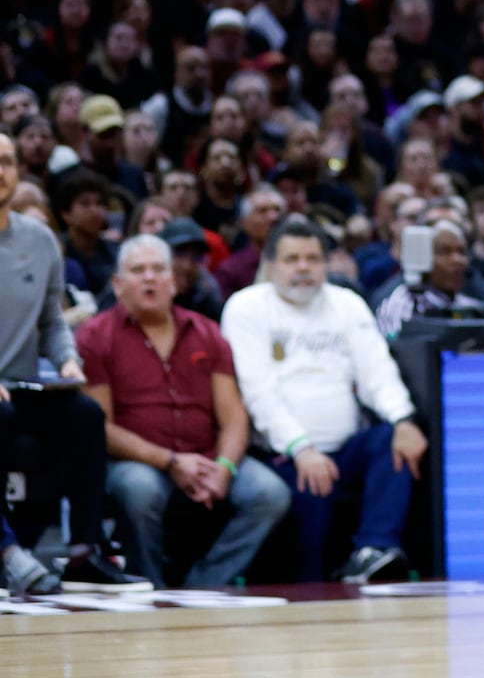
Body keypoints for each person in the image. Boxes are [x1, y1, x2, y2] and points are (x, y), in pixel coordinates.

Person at [221, 216, 429, 583]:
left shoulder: (346, 303)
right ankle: (309, 595)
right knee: (311, 494)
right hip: (280, 452)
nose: (303, 268)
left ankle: (374, 551)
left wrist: (403, 420)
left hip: (343, 448)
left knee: (390, 442)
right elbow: (258, 392)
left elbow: (376, 372)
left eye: (313, 259)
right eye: (292, 259)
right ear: (270, 266)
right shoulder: (247, 306)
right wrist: (302, 448)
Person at [79, 236, 292, 587]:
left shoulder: (206, 332)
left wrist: (223, 468)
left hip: (207, 456)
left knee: (269, 493)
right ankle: (150, 588)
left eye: (159, 269)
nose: (150, 278)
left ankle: (204, 585)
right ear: (117, 285)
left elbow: (234, 416)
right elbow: (101, 427)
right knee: (139, 489)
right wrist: (171, 461)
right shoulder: (95, 336)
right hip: (136, 460)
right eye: (137, 270)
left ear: (173, 282)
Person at [0, 134, 149, 588]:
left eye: (6, 161)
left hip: (24, 385)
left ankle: (85, 552)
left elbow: (51, 318)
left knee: (86, 414)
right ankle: (7, 550)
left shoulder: (40, 239)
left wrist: (67, 361)